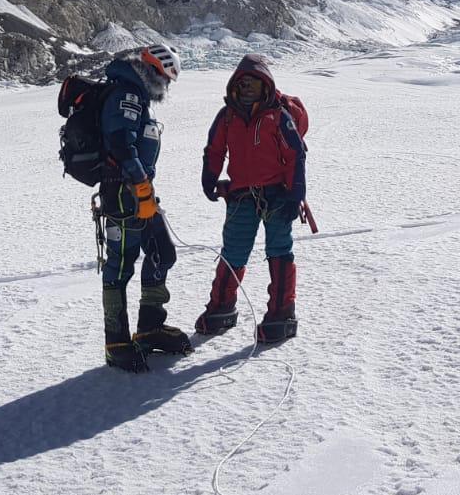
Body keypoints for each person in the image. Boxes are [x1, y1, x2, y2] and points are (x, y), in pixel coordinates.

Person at [196, 54, 308, 344]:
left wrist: (296, 194)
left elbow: (296, 154)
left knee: (279, 251)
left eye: (254, 85)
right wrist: (209, 178)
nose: (247, 89)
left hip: (277, 197)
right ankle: (221, 307)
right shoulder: (228, 116)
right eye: (243, 84)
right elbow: (214, 149)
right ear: (235, 85)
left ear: (265, 87)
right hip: (242, 195)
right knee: (233, 251)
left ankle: (282, 313)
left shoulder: (278, 116)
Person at [97, 43, 192, 372]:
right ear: (155, 71)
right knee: (121, 264)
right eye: (166, 79)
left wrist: (145, 188)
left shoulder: (136, 96)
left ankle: (150, 327)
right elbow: (121, 142)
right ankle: (117, 343)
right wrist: (138, 184)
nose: (166, 87)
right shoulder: (128, 95)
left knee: (161, 253)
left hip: (140, 192)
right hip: (123, 193)